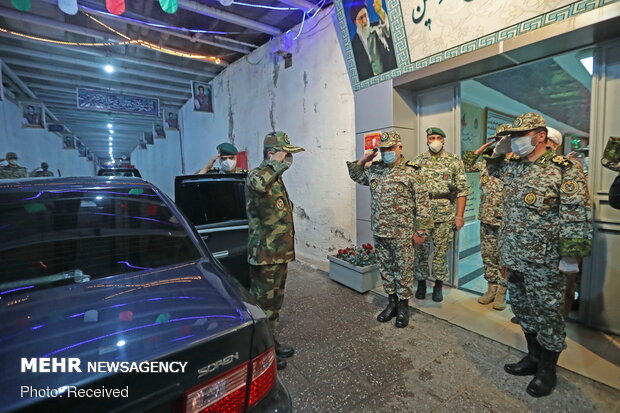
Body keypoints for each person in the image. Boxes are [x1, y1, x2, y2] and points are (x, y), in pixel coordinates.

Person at [489, 112, 592, 397]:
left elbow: (577, 212)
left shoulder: (564, 167)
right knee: (522, 310)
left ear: (541, 136)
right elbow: (490, 170)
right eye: (513, 137)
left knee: (548, 315)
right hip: (514, 254)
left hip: (545, 260)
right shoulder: (513, 166)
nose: (516, 141)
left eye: (520, 136)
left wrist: (570, 256)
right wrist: (498, 152)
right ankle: (533, 358)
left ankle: (548, 369)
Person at [347, 131, 432, 328]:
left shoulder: (413, 171)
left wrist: (421, 231)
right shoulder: (375, 170)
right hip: (380, 230)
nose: (386, 153)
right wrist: (364, 159)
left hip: (402, 232)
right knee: (386, 269)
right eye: (383, 149)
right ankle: (391, 302)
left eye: (389, 149)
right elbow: (356, 176)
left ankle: (403, 307)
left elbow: (423, 204)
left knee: (403, 270)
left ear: (399, 148)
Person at [245, 131, 304, 371]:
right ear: (271, 154)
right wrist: (275, 165)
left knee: (274, 305)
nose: (288, 158)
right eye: (284, 153)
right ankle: (259, 352)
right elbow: (259, 184)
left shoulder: (274, 177)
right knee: (262, 306)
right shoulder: (257, 175)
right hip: (264, 255)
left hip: (279, 254)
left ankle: (270, 342)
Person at [412, 127, 470, 302]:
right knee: (421, 250)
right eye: (431, 138)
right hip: (423, 215)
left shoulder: (454, 161)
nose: (435, 141)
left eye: (438, 137)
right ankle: (421, 282)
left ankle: (438, 284)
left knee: (441, 251)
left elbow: (462, 190)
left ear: (443, 140)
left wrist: (459, 216)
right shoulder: (417, 161)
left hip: (445, 214)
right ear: (427, 140)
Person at [462, 124, 511, 310]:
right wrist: (484, 148)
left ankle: (502, 293)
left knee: (504, 259)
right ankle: (491, 288)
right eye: (499, 139)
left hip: (507, 222)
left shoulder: (517, 164)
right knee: (488, 256)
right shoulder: (486, 163)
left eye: (506, 139)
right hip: (487, 218)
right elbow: (466, 163)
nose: (502, 143)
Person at [349, 0, 397, 81]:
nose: (365, 20)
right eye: (361, 18)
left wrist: (380, 11)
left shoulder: (377, 28)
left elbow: (388, 30)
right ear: (355, 22)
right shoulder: (353, 46)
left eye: (365, 15)